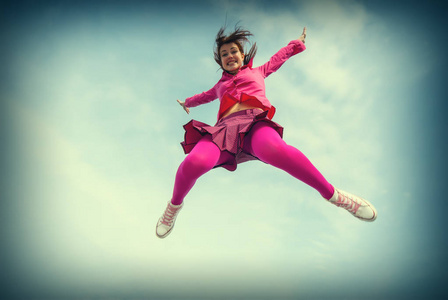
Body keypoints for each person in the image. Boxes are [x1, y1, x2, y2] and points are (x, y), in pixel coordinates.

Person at [156, 25, 377, 239]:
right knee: (196, 162)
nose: (230, 55)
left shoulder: (258, 71)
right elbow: (205, 96)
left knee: (274, 149)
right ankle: (174, 206)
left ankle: (334, 195)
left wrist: (296, 44)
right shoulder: (219, 86)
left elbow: (277, 59)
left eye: (234, 51)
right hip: (224, 131)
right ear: (220, 61)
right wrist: (188, 102)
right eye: (224, 54)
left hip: (254, 123)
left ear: (242, 55)